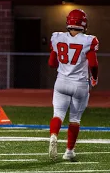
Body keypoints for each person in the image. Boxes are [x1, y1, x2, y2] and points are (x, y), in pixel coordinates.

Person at [48, 9, 99, 161]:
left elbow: (51, 63)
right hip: (80, 84)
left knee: (58, 114)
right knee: (75, 119)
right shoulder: (88, 40)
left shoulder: (57, 37)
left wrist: (65, 63)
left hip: (61, 82)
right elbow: (93, 64)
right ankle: (69, 151)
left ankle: (53, 135)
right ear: (84, 23)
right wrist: (94, 78)